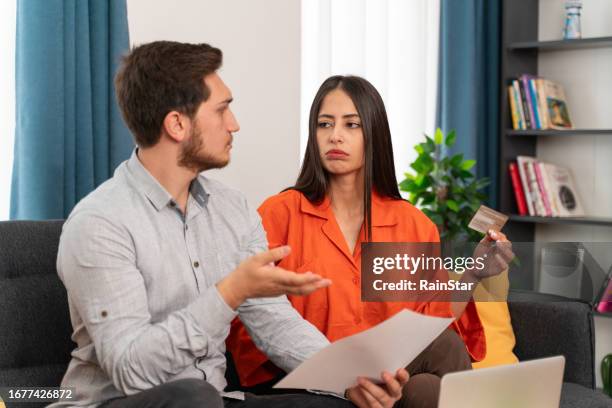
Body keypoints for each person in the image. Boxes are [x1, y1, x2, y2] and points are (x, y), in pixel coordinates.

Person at [50, 43, 409, 408]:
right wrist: (229, 292)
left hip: (216, 400)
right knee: (192, 397)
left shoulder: (231, 209)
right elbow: (131, 372)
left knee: (330, 406)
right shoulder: (100, 223)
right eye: (222, 110)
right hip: (119, 402)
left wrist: (348, 381)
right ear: (177, 124)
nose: (234, 124)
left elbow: (275, 323)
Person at [227, 75, 514, 408]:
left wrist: (474, 273)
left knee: (426, 387)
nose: (335, 136)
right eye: (324, 124)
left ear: (374, 134)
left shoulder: (412, 223)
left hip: (388, 379)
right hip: (304, 380)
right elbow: (248, 322)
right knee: (445, 349)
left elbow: (432, 319)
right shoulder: (278, 214)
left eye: (352, 125)